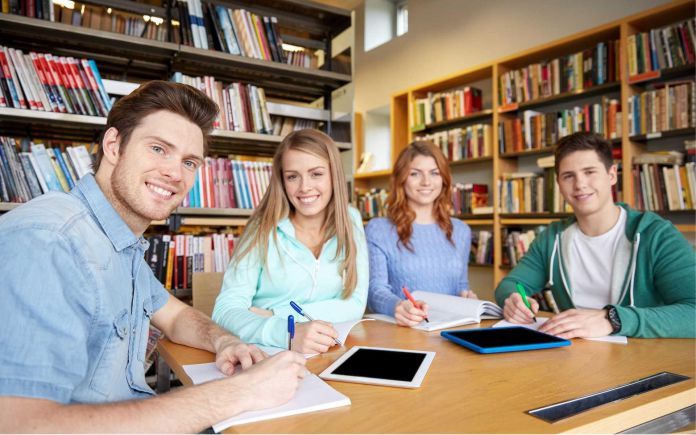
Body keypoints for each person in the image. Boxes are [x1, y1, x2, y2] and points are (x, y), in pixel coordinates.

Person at [0, 81, 306, 433]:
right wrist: (238, 393)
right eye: (159, 149)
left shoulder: (119, 242)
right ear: (114, 145)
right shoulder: (49, 243)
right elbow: (18, 426)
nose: (175, 174)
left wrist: (226, 341)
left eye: (189, 161)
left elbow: (175, 317)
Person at [495, 132, 695, 338]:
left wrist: (613, 320)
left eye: (589, 172)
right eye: (568, 176)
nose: (579, 184)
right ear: (559, 184)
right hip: (575, 357)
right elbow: (509, 285)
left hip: (643, 360)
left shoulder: (656, 235)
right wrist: (513, 300)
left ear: (611, 175)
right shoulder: (552, 238)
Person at [212, 129, 368, 354]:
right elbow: (225, 310)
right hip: (271, 352)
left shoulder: (350, 220)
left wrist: (277, 314)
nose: (304, 187)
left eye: (316, 174)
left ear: (334, 174)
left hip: (330, 351)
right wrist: (285, 331)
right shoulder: (261, 228)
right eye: (293, 176)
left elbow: (354, 305)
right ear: (282, 181)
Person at [366, 141, 475, 327]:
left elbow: (460, 286)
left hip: (448, 329)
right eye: (415, 174)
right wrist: (398, 306)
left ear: (444, 179)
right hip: (402, 330)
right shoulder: (378, 229)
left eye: (434, 173)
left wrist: (467, 297)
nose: (426, 182)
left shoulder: (461, 230)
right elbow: (374, 291)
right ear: (401, 179)